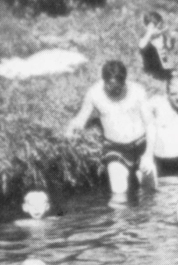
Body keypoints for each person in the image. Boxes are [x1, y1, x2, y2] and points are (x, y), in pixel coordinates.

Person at [65, 60, 156, 195]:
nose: (114, 91)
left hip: (140, 145)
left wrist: (148, 155)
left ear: (124, 81)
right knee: (119, 194)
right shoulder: (94, 94)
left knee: (150, 193)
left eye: (118, 87)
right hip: (116, 148)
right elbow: (81, 118)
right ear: (104, 81)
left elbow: (150, 124)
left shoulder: (137, 91)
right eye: (109, 86)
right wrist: (71, 129)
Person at [138, 11, 175, 81]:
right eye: (159, 26)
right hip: (152, 68)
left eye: (161, 26)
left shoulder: (161, 36)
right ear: (150, 27)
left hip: (164, 66)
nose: (160, 28)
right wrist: (150, 32)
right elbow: (141, 45)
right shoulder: (146, 39)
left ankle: (166, 75)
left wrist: (171, 38)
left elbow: (169, 47)